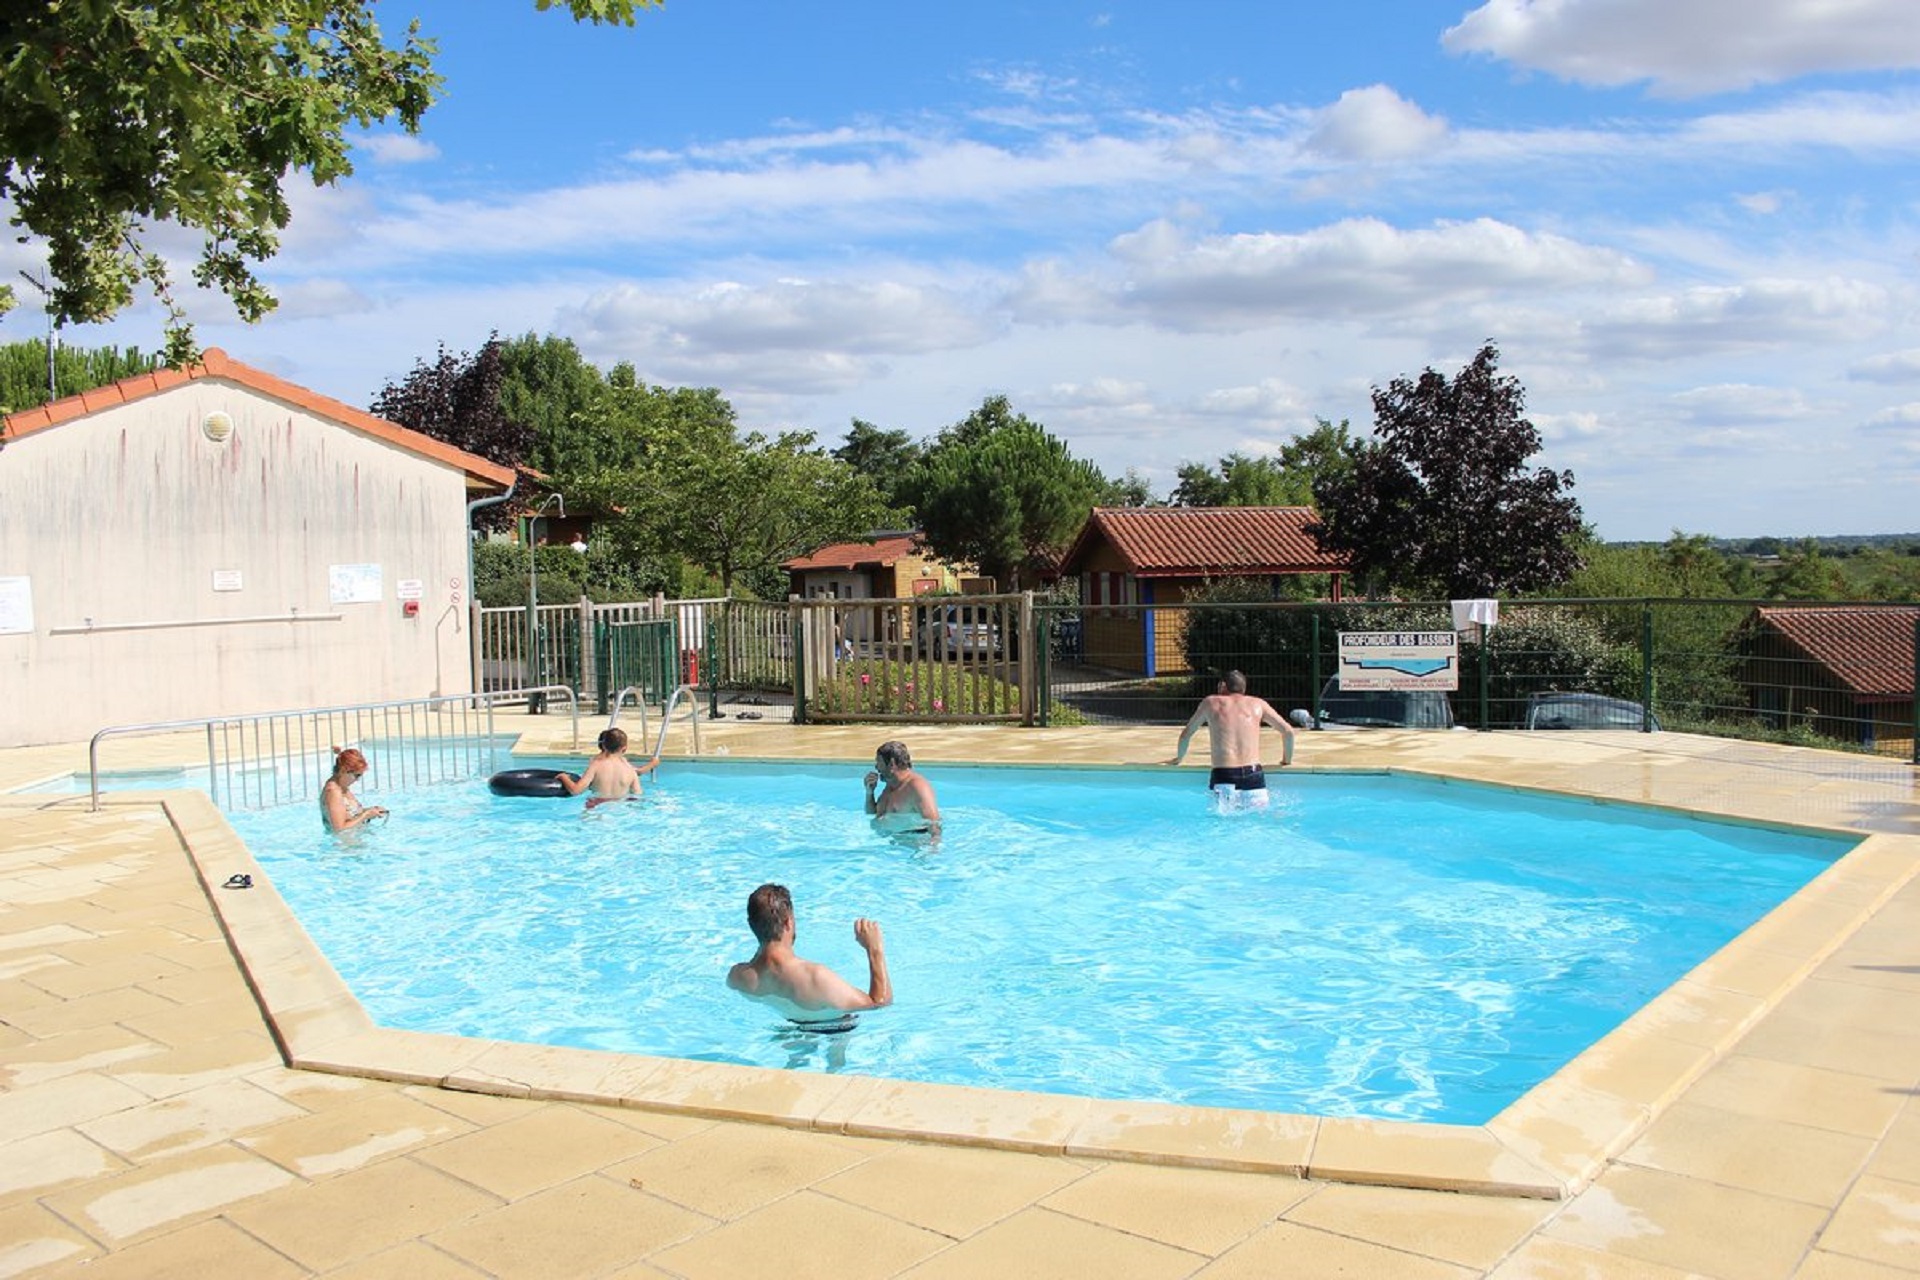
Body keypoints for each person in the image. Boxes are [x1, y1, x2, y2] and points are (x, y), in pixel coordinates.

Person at [726, 883, 892, 1018]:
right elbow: (879, 1005)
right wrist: (874, 950)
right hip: (833, 1030)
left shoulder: (737, 977)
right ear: (788, 923)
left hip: (788, 1029)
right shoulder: (816, 978)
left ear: (751, 925)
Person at [1165, 669, 1295, 801]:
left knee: (1222, 820)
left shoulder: (1211, 703)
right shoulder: (1258, 704)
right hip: (1254, 776)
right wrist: (1286, 760)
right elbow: (1288, 732)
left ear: (1223, 685)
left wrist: (1179, 758)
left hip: (1224, 775)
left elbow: (1186, 735)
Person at [556, 727, 657, 808]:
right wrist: (653, 764)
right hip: (621, 809)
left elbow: (575, 790)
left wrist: (563, 777)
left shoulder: (596, 765)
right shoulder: (630, 770)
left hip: (597, 807)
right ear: (624, 748)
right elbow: (637, 797)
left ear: (603, 745)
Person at [864, 739, 940, 837]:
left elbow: (934, 824)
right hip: (890, 842)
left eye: (879, 762)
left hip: (912, 843)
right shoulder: (890, 785)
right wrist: (869, 793)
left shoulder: (917, 787)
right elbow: (873, 813)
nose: (876, 767)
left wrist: (931, 849)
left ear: (891, 764)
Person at [321, 746, 388, 833]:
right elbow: (339, 829)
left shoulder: (342, 786)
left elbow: (350, 814)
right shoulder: (333, 792)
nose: (357, 780)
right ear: (343, 770)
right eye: (357, 775)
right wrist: (365, 815)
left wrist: (371, 811)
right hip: (344, 845)